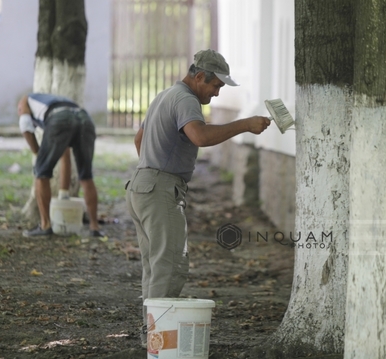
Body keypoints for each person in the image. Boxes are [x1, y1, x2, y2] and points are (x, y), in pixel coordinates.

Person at [125, 49, 271, 343]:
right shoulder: (186, 99)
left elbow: (139, 138)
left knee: (154, 265)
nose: (217, 93)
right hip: (160, 189)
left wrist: (152, 170)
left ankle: (151, 332)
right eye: (216, 85)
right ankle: (156, 338)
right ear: (199, 76)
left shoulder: (164, 96)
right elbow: (200, 137)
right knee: (170, 265)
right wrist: (245, 124)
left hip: (141, 186)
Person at [17, 93, 104, 238]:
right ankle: (94, 227)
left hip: (60, 119)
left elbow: (25, 125)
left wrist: (37, 155)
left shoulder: (24, 101)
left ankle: (45, 225)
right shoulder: (55, 102)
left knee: (41, 173)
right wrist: (64, 194)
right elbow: (65, 155)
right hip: (85, 119)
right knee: (86, 175)